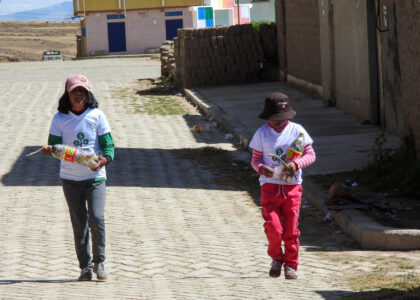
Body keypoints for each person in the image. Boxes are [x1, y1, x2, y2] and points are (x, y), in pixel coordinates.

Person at [41, 74, 115, 281]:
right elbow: (55, 147)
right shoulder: (59, 119)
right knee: (79, 223)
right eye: (75, 91)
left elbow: (108, 145)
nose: (79, 94)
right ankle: (84, 266)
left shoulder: (97, 116)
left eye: (82, 90)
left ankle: (100, 262)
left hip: (96, 179)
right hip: (70, 180)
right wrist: (51, 151)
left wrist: (104, 160)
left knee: (97, 219)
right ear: (68, 94)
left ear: (88, 93)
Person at [249, 93, 316, 279]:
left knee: (291, 230)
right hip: (269, 188)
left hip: (292, 188)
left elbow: (310, 155)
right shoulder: (261, 133)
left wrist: (296, 164)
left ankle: (291, 265)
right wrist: (261, 168)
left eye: (282, 118)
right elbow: (255, 160)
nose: (278, 122)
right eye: (274, 119)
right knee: (273, 227)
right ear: (267, 116)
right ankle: (276, 258)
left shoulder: (298, 132)